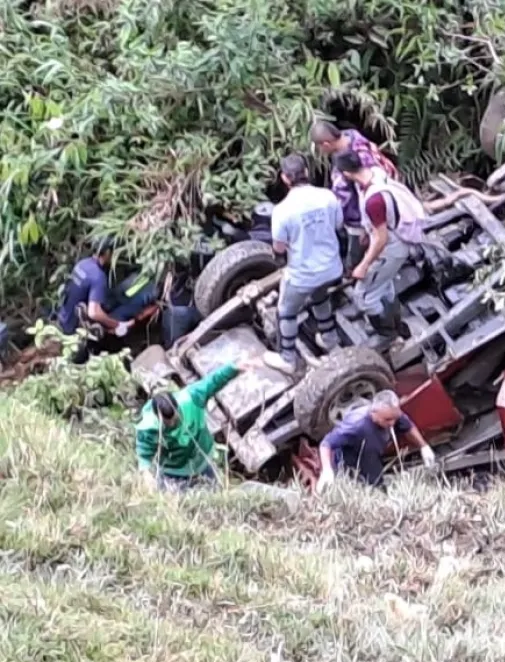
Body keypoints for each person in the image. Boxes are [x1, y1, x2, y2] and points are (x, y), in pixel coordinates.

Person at [332, 149, 434, 351]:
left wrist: (364, 265)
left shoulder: (374, 200)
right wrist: (367, 232)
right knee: (385, 287)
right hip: (395, 235)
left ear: (346, 173)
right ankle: (397, 327)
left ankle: (387, 335)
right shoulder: (376, 174)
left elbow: (381, 239)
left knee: (364, 296)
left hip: (390, 246)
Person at [264, 153, 345, 375]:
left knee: (286, 311)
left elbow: (279, 247)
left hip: (303, 275)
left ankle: (287, 358)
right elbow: (338, 225)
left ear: (284, 178)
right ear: (307, 172)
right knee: (320, 296)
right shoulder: (328, 196)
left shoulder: (281, 210)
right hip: (332, 268)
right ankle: (329, 339)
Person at [136, 359, 259, 492]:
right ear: (158, 418)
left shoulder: (191, 398)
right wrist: (146, 474)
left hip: (202, 461)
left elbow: (213, 381)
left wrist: (233, 368)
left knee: (216, 493)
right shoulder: (148, 427)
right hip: (174, 472)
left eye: (175, 419)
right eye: (167, 422)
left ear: (177, 407)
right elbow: (144, 452)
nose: (172, 423)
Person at [310, 120, 400, 270]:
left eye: (319, 147)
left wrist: (366, 226)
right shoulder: (348, 137)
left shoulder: (363, 158)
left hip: (360, 218)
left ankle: (356, 270)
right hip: (351, 214)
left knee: (356, 252)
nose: (320, 151)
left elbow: (368, 191)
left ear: (326, 144)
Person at [316, 390, 436, 492]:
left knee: (378, 485)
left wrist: (423, 446)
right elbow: (326, 444)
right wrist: (327, 470)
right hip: (352, 465)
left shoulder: (392, 414)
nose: (392, 423)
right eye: (387, 420)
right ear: (373, 413)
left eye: (394, 419)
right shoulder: (356, 425)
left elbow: (407, 426)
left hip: (373, 458)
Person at [57, 236, 137, 340]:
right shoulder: (98, 276)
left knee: (111, 296)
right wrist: (117, 325)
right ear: (107, 252)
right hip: (73, 329)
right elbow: (94, 313)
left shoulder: (82, 263)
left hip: (63, 317)